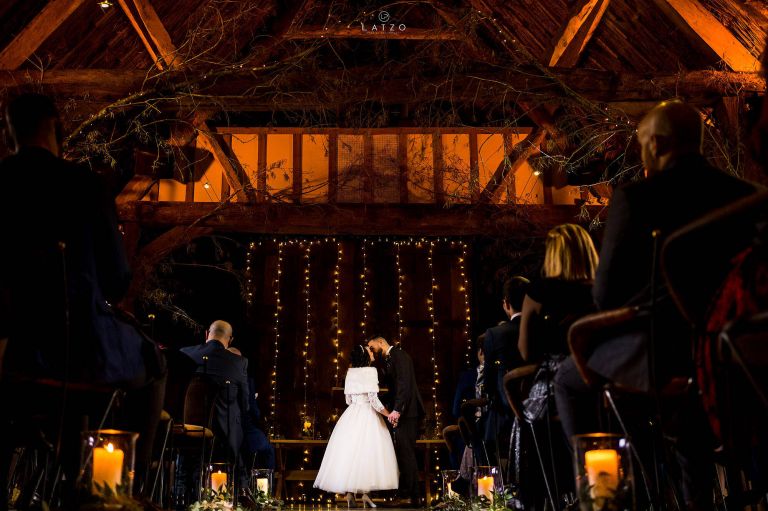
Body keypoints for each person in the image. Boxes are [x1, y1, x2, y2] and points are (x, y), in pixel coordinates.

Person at [553, 99, 756, 510]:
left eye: (642, 144)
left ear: (659, 144)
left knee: (567, 380)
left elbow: (605, 296)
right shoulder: (749, 196)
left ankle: (606, 495)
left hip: (660, 349)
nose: (640, 154)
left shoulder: (636, 199)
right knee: (682, 410)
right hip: (736, 352)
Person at [0, 93, 165, 506]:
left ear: (8, 133)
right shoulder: (85, 186)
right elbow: (116, 278)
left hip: (11, 352)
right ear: (56, 129)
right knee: (153, 363)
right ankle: (123, 488)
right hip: (79, 351)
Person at [314, 345, 397, 508]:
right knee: (368, 454)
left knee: (350, 453)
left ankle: (350, 494)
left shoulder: (350, 373)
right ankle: (366, 494)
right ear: (365, 356)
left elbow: (348, 400)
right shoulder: (371, 372)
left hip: (351, 415)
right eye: (370, 351)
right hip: (368, 414)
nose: (372, 353)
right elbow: (374, 400)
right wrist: (388, 414)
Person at [180, 321, 249, 487]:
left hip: (186, 430)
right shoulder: (239, 362)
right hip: (225, 435)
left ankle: (183, 485)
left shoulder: (184, 354)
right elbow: (245, 404)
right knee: (235, 412)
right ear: (230, 340)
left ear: (206, 334)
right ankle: (237, 485)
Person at [367, 335, 425, 507]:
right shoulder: (390, 359)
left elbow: (404, 384)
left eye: (372, 347)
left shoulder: (399, 355)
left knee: (406, 453)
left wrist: (397, 410)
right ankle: (411, 496)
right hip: (404, 410)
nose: (372, 351)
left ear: (381, 342)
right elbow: (392, 387)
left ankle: (409, 495)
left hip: (408, 412)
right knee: (404, 453)